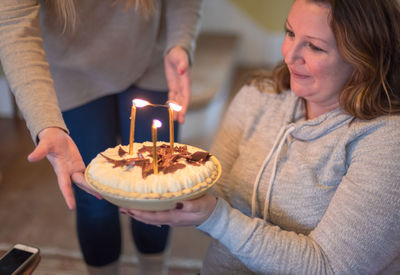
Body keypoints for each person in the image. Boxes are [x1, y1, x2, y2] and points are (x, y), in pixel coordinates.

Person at [121, 0, 400, 273]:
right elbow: (214, 198)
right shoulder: (259, 95)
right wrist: (158, 188)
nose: (289, 56)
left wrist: (215, 217)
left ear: (366, 58)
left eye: (314, 46)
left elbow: (328, 267)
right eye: (290, 33)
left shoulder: (386, 142)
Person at [0, 0, 203, 274]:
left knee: (157, 189)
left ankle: (155, 268)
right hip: (71, 75)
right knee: (94, 200)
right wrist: (46, 123)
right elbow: (12, 24)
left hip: (150, 59)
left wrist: (179, 42)